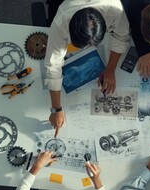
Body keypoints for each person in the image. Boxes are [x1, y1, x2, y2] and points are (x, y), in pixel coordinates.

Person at [45, 0, 130, 137]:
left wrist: (110, 69)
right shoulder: (62, 20)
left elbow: (121, 36)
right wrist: (56, 109)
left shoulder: (115, 8)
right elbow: (53, 65)